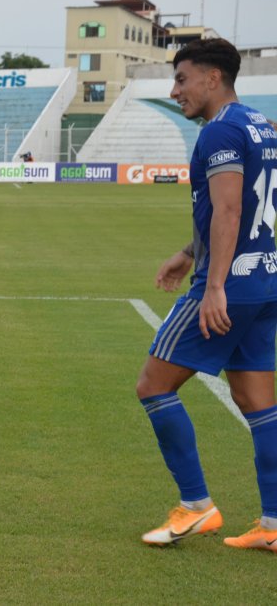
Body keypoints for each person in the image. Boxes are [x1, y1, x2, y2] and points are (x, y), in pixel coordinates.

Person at [136, 37, 277, 553]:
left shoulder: (218, 133)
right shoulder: (259, 123)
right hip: (265, 279)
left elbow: (230, 210)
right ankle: (273, 523)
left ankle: (196, 507)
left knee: (154, 386)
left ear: (212, 78)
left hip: (228, 286)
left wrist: (212, 283)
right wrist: (188, 252)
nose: (176, 91)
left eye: (181, 79)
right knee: (259, 404)